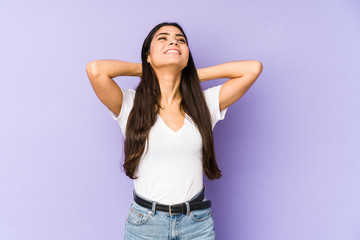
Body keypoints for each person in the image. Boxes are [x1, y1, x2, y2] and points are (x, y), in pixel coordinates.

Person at [86, 22, 263, 240]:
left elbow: (253, 68)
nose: (174, 41)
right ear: (147, 55)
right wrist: (149, 68)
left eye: (181, 40)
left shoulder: (204, 104)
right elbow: (96, 70)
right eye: (163, 38)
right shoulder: (129, 104)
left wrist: (187, 73)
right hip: (146, 225)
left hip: (196, 223)